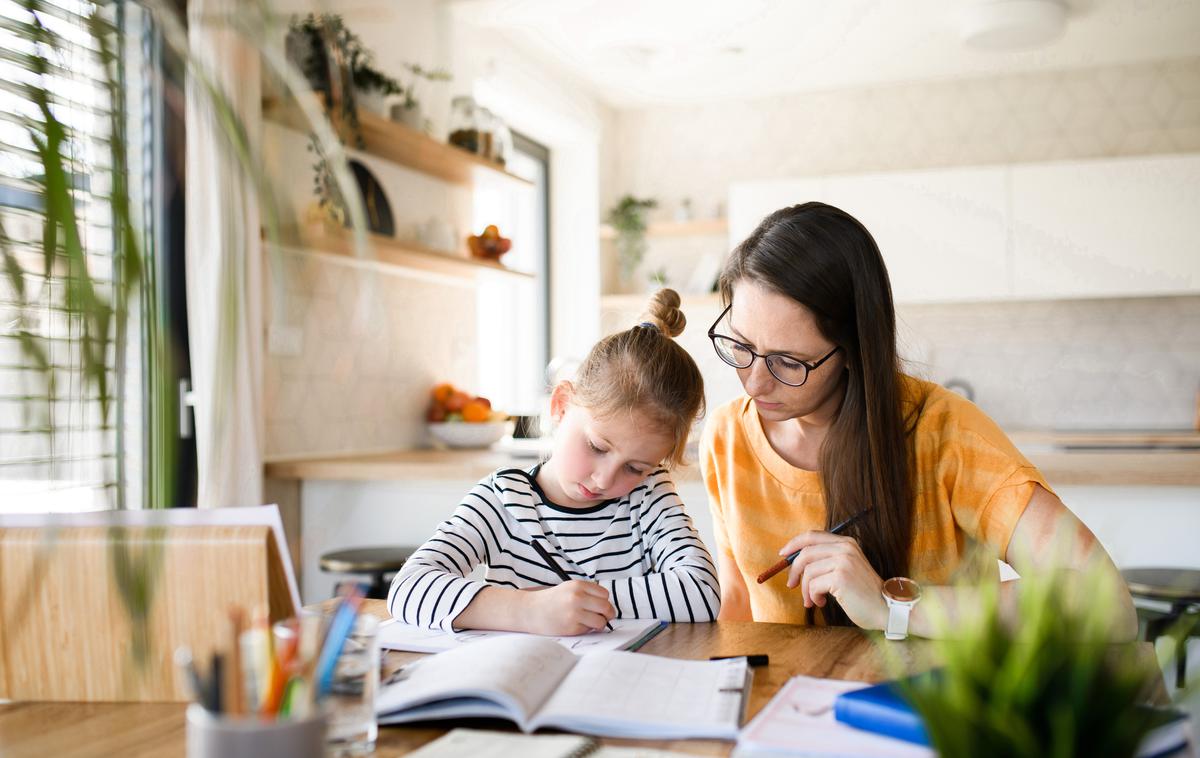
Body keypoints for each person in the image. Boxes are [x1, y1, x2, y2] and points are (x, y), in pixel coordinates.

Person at [700, 202, 1137, 639]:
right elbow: (738, 611)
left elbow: (1108, 605)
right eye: (740, 345)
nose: (754, 384)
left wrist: (892, 605)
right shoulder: (725, 437)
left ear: (852, 350)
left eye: (788, 362)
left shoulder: (946, 433)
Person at [389, 289, 720, 635]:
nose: (605, 480)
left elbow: (703, 591)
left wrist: (576, 603)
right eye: (597, 447)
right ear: (561, 405)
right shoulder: (502, 499)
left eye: (635, 468)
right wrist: (528, 610)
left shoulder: (648, 495)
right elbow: (409, 588)